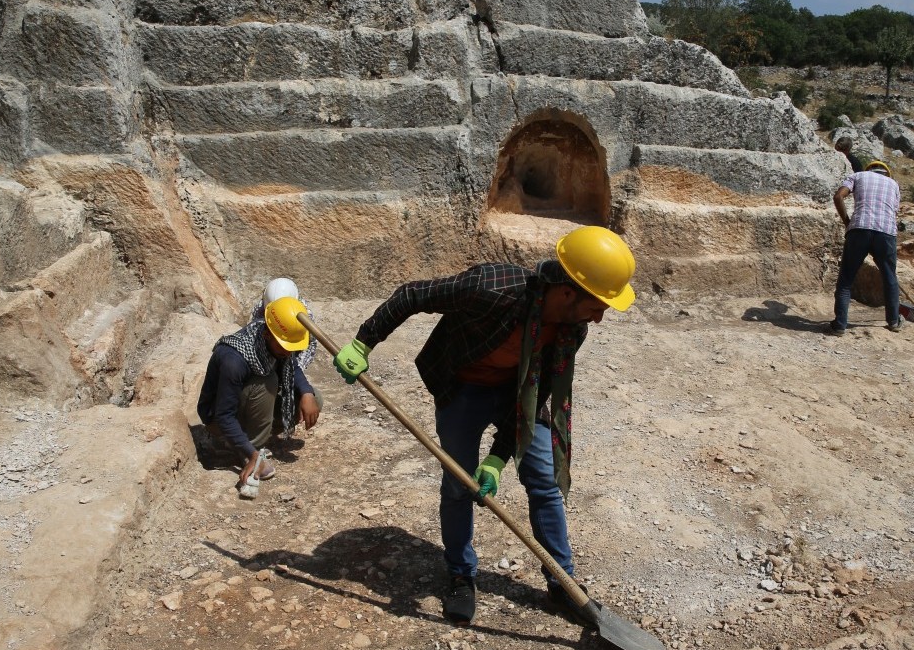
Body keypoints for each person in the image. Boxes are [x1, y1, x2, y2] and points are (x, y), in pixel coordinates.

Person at [331, 226, 636, 625]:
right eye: (597, 305)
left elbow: (538, 392)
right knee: (459, 485)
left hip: (519, 394)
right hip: (464, 387)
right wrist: (364, 341)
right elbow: (412, 295)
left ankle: (564, 585)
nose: (598, 319)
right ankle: (460, 575)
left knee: (543, 480)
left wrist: (497, 457)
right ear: (566, 292)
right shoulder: (491, 286)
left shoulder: (570, 327)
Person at [197, 297, 322, 499]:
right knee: (268, 382)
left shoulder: (275, 345)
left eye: (293, 348)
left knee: (314, 399)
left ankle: (249, 439)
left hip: (245, 407)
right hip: (220, 421)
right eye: (285, 347)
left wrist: (306, 393)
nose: (289, 352)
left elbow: (292, 366)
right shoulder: (234, 359)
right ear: (266, 334)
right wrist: (252, 454)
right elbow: (224, 415)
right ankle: (249, 449)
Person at [827, 159, 902, 336]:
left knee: (846, 279)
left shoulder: (857, 176)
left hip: (859, 229)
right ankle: (894, 321)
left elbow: (838, 196)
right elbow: (894, 211)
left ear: (869, 170)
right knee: (890, 278)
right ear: (886, 173)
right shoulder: (894, 184)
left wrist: (847, 222)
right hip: (886, 232)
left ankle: (839, 325)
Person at [251, 277, 319, 371]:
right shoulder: (261, 307)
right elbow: (254, 331)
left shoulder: (304, 316)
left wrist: (295, 370)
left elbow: (310, 344)